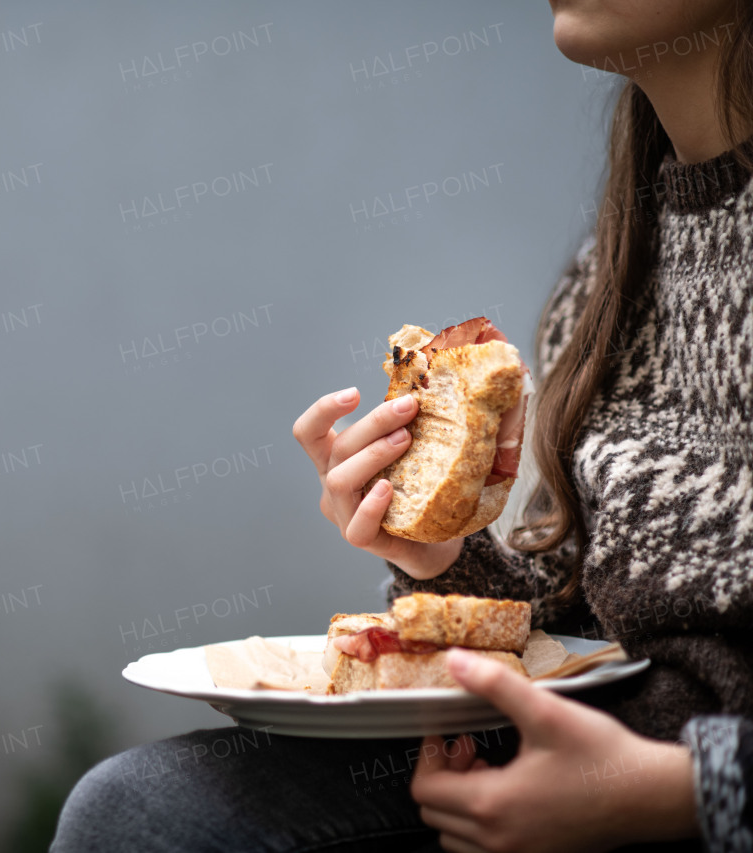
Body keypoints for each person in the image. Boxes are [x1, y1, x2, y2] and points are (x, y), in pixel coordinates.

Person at [51, 1, 753, 850]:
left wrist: (684, 792)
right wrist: (445, 561)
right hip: (564, 762)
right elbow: (589, 632)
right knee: (142, 806)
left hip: (688, 803)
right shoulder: (611, 270)